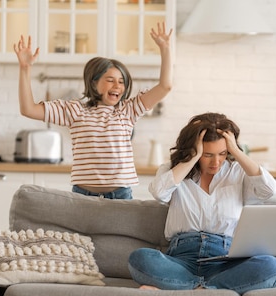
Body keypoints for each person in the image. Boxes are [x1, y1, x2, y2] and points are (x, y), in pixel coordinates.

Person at [13, 22, 173, 200]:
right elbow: (28, 109)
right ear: (94, 83)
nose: (117, 86)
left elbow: (165, 86)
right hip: (83, 196)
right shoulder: (74, 110)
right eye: (110, 80)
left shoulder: (128, 110)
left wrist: (165, 49)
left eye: (121, 81)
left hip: (120, 196)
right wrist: (25, 69)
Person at [127, 113, 276, 295]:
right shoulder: (174, 170)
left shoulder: (238, 172)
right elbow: (159, 193)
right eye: (207, 154)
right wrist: (192, 157)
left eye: (222, 153)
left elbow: (269, 190)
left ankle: (189, 288)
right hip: (182, 260)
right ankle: (211, 289)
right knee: (141, 259)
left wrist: (237, 152)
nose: (216, 162)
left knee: (270, 265)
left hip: (224, 261)